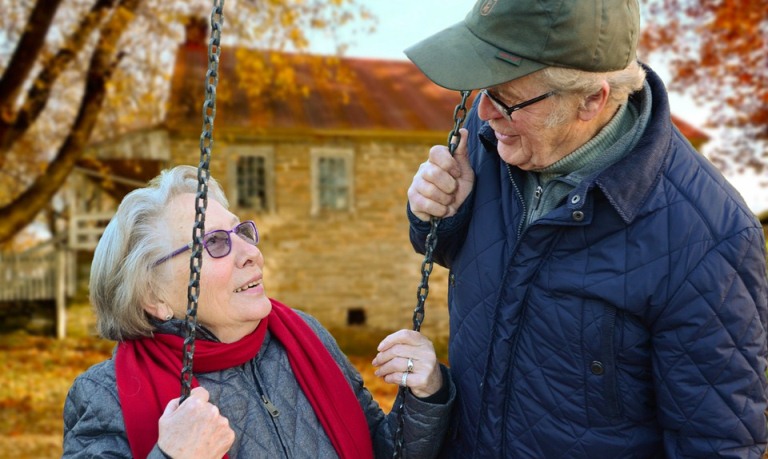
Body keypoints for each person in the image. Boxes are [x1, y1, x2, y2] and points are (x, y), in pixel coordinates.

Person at [403, 0, 768, 457]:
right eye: (481, 91)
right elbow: (466, 255)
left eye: (506, 99)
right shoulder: (492, 147)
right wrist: (437, 216)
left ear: (592, 100)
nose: (484, 113)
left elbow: (716, 443)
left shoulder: (709, 238)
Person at [63, 165, 454, 458]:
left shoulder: (305, 336)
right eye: (214, 243)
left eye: (242, 232)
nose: (251, 253)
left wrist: (424, 395)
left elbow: (383, 451)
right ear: (154, 297)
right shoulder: (105, 395)